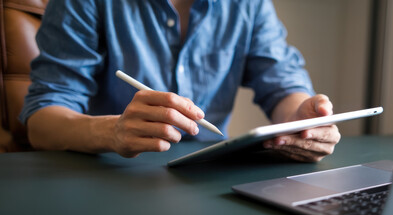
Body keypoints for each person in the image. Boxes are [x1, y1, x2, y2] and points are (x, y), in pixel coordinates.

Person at [20, 0, 340, 162]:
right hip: (108, 177)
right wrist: (114, 132)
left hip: (209, 178)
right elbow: (42, 121)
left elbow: (282, 83)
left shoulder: (248, 5)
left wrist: (303, 119)